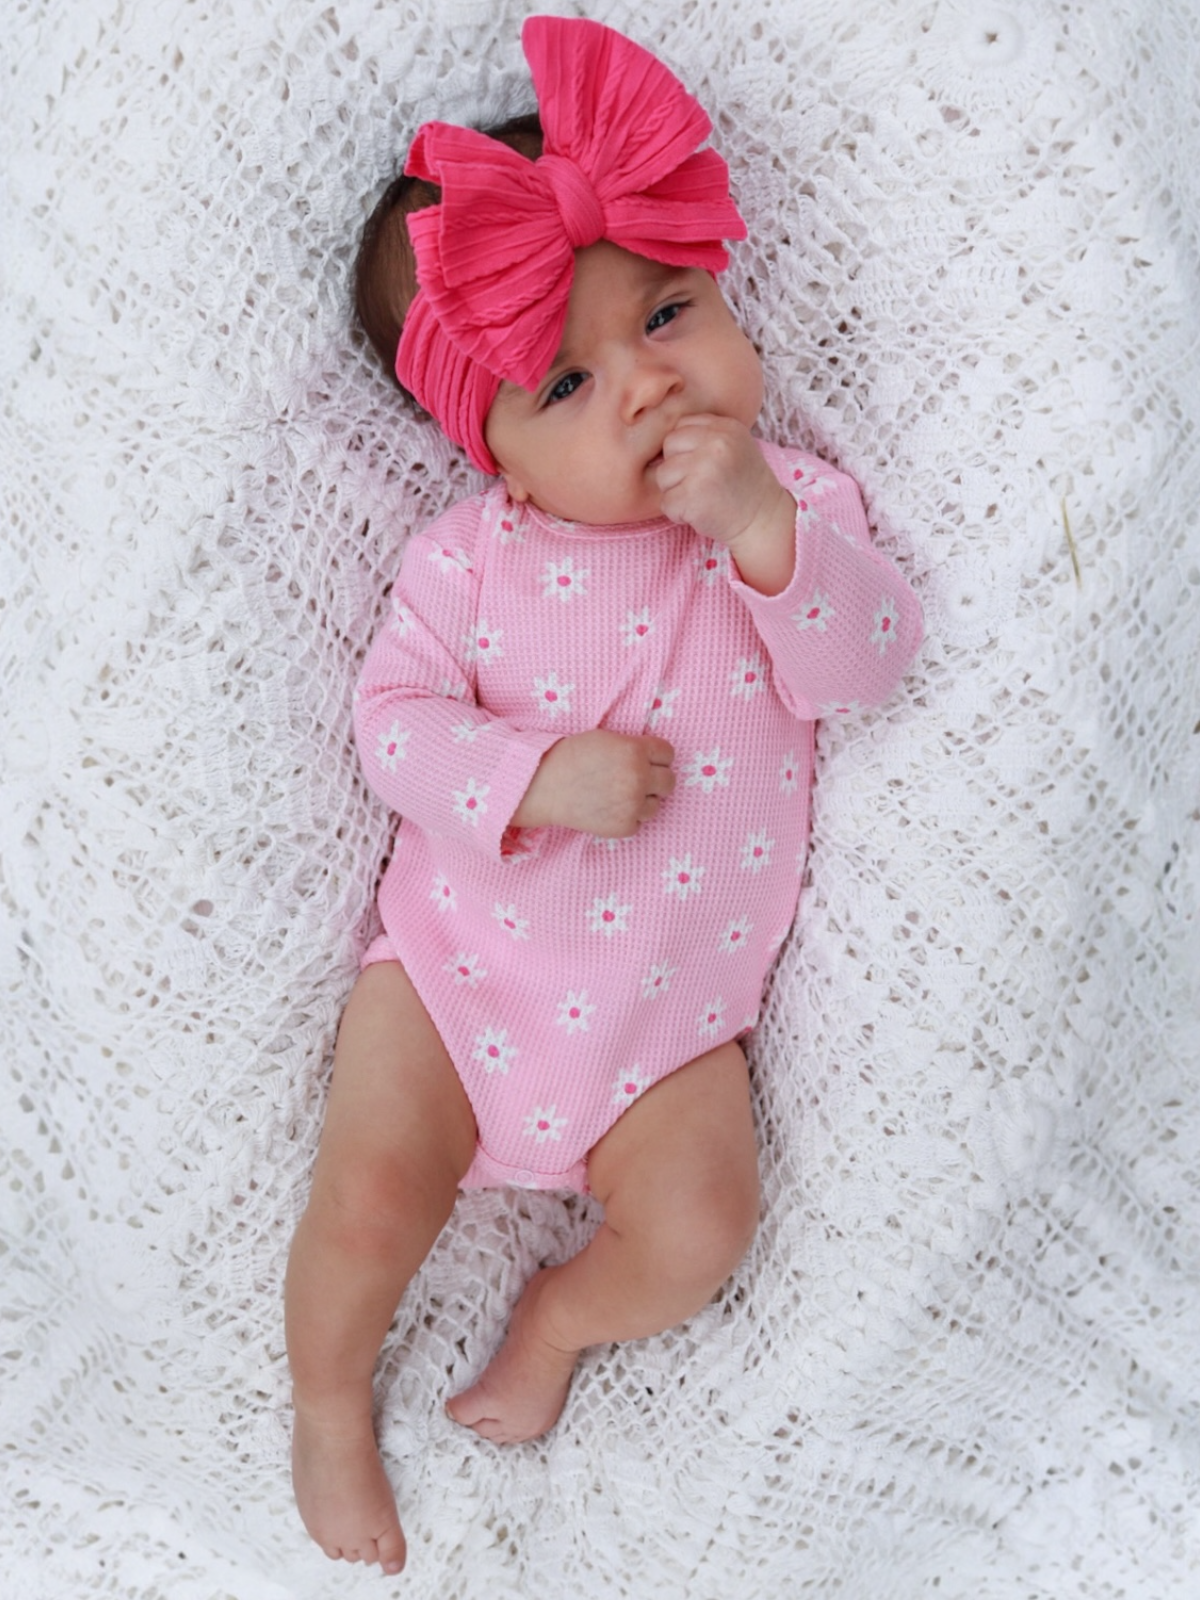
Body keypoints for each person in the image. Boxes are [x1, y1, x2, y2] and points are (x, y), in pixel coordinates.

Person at [284, 15, 923, 1577]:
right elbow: (392, 729)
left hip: (668, 1032)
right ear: (489, 452)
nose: (644, 387)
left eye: (671, 313)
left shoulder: (795, 511)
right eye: (568, 381)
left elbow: (869, 663)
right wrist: (529, 776)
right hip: (454, 981)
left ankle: (558, 1317)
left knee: (700, 1238)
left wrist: (766, 528)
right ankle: (322, 1401)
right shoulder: (469, 564)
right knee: (369, 1201)